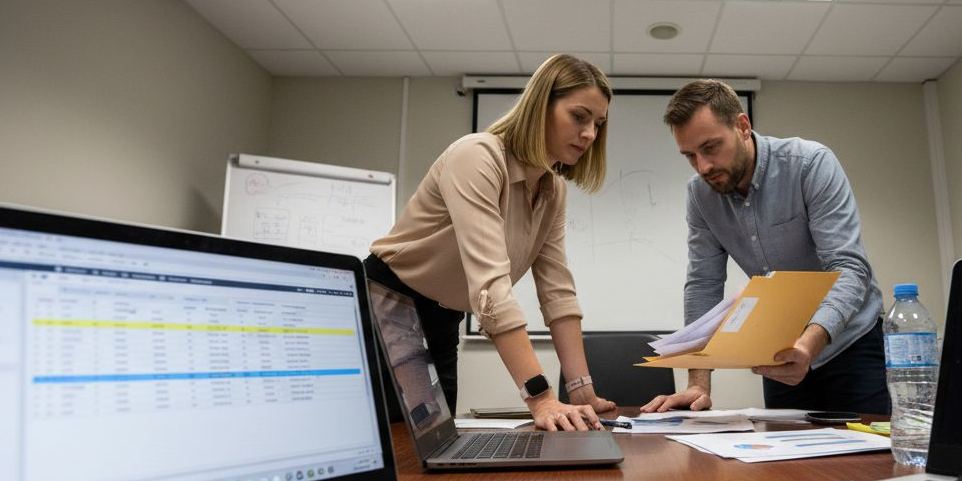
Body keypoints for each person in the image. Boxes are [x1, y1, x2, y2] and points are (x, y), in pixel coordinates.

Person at [367, 54, 616, 431]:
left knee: (436, 435)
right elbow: (491, 287)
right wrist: (542, 398)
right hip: (390, 297)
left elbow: (558, 292)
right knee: (406, 435)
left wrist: (581, 391)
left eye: (598, 123)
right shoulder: (477, 156)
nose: (590, 134)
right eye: (579, 116)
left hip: (444, 312)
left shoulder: (553, 190)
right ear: (540, 106)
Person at [641, 79, 889, 414]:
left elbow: (849, 268)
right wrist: (698, 383)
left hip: (850, 342)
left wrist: (808, 345)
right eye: (690, 156)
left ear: (742, 126)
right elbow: (703, 285)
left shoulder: (810, 164)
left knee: (867, 459)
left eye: (711, 148)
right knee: (785, 460)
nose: (703, 167)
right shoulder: (700, 195)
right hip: (779, 349)